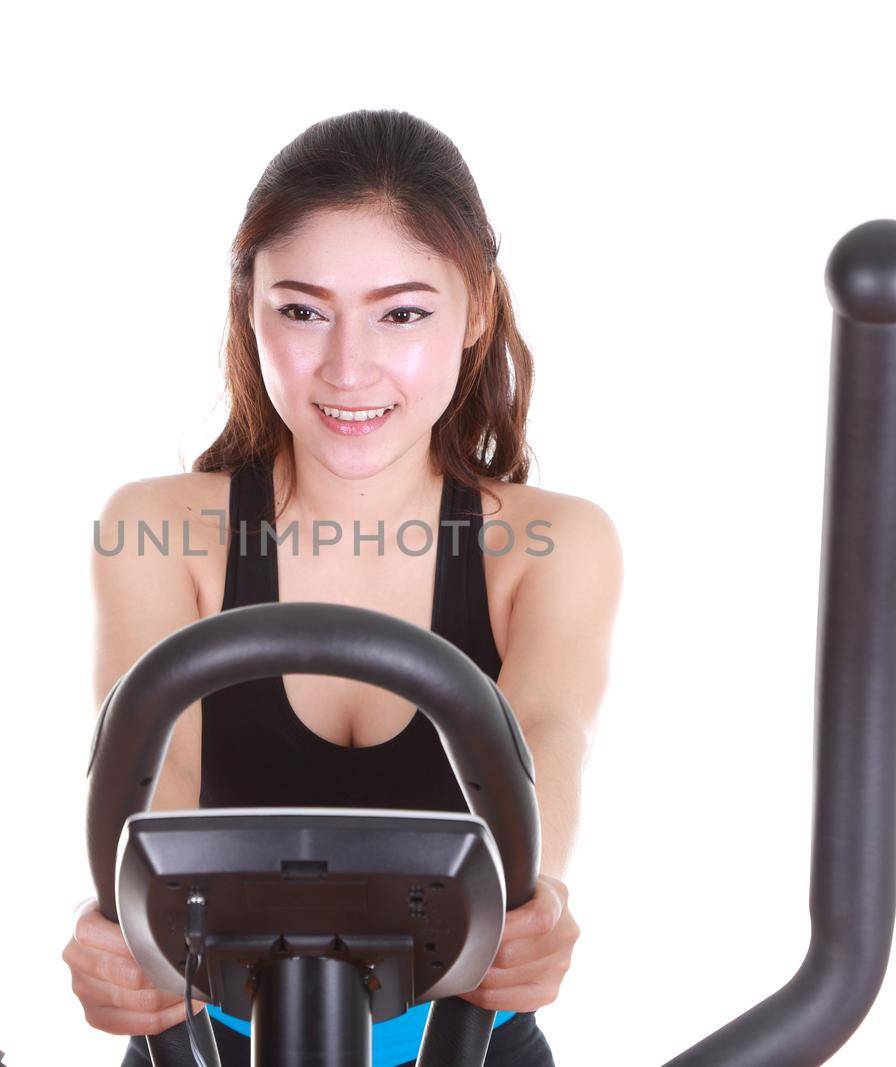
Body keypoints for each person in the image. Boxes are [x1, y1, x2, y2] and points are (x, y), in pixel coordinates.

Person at [65, 108, 622, 1067]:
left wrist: (545, 894)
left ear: (476, 310)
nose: (348, 367)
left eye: (403, 313)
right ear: (251, 308)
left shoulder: (550, 542)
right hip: (207, 1045)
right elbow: (156, 775)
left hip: (466, 1044)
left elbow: (546, 736)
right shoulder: (157, 530)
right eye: (302, 310)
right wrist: (123, 917)